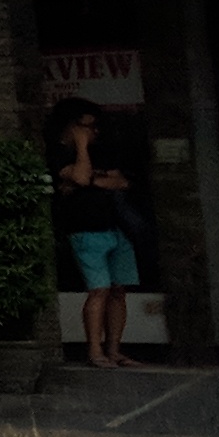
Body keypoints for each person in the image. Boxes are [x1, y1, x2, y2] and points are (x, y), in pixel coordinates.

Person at [48, 98, 141, 371]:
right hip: (86, 229)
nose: (93, 132)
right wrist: (81, 148)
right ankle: (95, 350)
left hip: (116, 227)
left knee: (118, 290)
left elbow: (120, 181)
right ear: (72, 127)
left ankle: (114, 350)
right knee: (99, 290)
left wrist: (91, 181)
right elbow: (79, 176)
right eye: (86, 127)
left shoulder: (102, 151)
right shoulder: (59, 153)